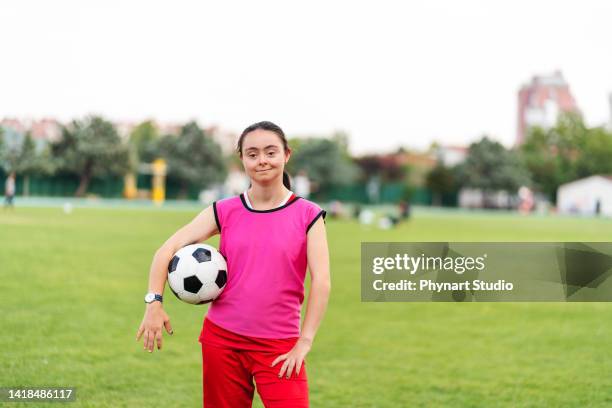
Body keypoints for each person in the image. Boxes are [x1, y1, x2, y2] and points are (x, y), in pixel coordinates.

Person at [136, 121, 331, 408]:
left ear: (286, 155)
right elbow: (167, 250)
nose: (261, 160)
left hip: (280, 346)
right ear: (242, 159)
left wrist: (305, 341)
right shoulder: (224, 210)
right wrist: (154, 302)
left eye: (270, 152)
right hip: (222, 341)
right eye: (252, 154)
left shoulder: (308, 215)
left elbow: (322, 281)